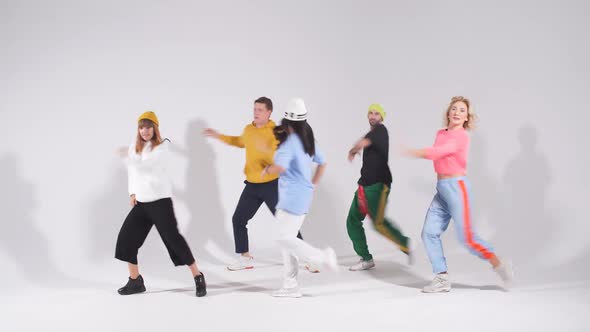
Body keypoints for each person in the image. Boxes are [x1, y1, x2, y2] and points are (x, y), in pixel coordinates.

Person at [403, 96, 513, 292]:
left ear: (466, 118)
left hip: (456, 188)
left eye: (462, 110)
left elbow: (439, 153)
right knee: (428, 233)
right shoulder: (441, 133)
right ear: (448, 113)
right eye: (454, 109)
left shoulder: (462, 136)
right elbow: (438, 154)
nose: (456, 112)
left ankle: (499, 264)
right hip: (441, 189)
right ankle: (441, 278)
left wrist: (414, 152)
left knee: (467, 238)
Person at [204, 97, 318, 272]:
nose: (256, 112)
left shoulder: (276, 131)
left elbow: (289, 150)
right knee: (239, 219)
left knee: (287, 224)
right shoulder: (248, 130)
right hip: (252, 185)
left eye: (260, 110)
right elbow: (239, 141)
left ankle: (309, 259)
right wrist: (218, 136)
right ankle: (244, 258)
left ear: (269, 112)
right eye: (255, 109)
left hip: (272, 185)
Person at [115, 111, 206, 297]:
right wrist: (132, 191)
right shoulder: (135, 147)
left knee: (173, 241)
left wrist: (127, 156)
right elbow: (132, 171)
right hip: (141, 203)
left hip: (160, 202)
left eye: (148, 127)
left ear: (155, 128)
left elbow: (147, 167)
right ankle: (135, 281)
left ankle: (198, 275)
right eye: (141, 127)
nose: (145, 131)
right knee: (126, 239)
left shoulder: (164, 146)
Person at [262, 98, 338, 298]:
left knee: (283, 238)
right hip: (302, 196)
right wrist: (314, 184)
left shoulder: (290, 143)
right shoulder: (308, 139)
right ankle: (290, 286)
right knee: (288, 242)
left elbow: (281, 167)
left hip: (292, 198)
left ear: (286, 121)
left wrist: (267, 169)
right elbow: (323, 162)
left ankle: (322, 258)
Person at [346, 104, 412, 271]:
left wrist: (354, 150)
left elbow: (364, 141)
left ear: (382, 117)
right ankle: (366, 258)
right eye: (371, 113)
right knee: (352, 221)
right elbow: (366, 141)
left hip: (378, 185)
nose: (373, 116)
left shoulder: (381, 130)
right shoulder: (372, 132)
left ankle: (406, 244)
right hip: (364, 185)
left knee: (378, 223)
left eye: (377, 114)